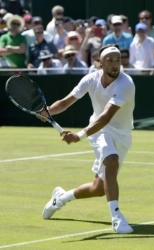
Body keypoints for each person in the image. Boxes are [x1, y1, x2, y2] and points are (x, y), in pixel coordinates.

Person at [40, 44, 135, 234]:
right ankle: (117, 218)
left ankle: (61, 198)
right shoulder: (90, 79)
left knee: (98, 189)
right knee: (111, 161)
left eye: (118, 59)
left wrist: (79, 136)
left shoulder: (126, 83)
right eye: (110, 60)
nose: (116, 64)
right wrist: (47, 111)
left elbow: (106, 116)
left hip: (122, 134)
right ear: (100, 63)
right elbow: (66, 102)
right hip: (99, 131)